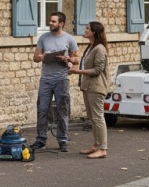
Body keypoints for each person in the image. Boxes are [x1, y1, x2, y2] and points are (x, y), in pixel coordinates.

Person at [31, 11, 78, 152]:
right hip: (45, 79)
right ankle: (41, 139)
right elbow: (35, 57)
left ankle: (63, 140)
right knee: (42, 109)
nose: (50, 23)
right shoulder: (43, 38)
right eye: (50, 21)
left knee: (62, 109)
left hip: (61, 79)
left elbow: (76, 59)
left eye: (53, 21)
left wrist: (68, 59)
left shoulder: (69, 39)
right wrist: (43, 56)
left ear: (61, 24)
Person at [68, 20, 110, 158]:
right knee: (92, 117)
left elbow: (97, 70)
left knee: (98, 117)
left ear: (94, 32)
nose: (85, 30)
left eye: (87, 29)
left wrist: (77, 72)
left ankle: (103, 149)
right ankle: (96, 144)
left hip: (96, 88)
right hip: (88, 87)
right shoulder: (90, 47)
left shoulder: (100, 49)